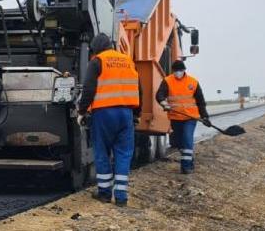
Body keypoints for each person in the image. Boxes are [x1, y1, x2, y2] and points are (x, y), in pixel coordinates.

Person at [77, 32, 141, 206]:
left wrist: (82, 111)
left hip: (104, 113)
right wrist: (136, 114)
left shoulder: (97, 61)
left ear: (96, 48)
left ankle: (105, 193)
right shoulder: (128, 61)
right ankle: (121, 197)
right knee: (124, 154)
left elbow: (88, 88)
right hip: (126, 113)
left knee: (102, 152)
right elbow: (138, 88)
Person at [156, 59, 210, 174]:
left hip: (190, 118)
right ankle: (189, 160)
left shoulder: (193, 82)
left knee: (187, 138)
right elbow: (159, 95)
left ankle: (186, 167)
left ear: (184, 70)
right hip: (175, 118)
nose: (178, 72)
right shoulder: (167, 81)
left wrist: (205, 116)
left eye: (180, 70)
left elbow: (200, 101)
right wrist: (164, 103)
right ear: (173, 71)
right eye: (176, 70)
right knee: (178, 143)